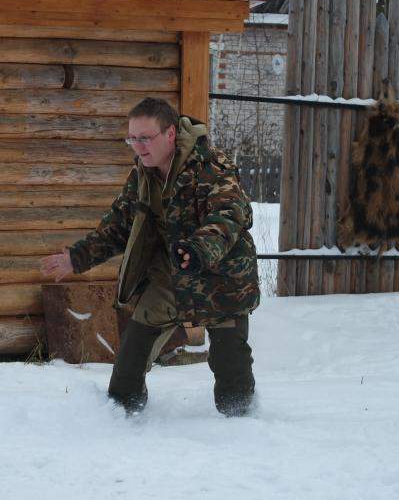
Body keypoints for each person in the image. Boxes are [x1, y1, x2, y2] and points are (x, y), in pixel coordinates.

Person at [40, 97, 261, 416]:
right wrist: (78, 258)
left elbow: (229, 216)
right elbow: (118, 226)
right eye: (132, 138)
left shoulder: (212, 166)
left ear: (170, 134)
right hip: (169, 277)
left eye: (145, 138)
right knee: (129, 362)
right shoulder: (142, 176)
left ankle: (242, 425)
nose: (138, 146)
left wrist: (199, 249)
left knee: (231, 370)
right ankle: (122, 418)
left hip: (221, 278)